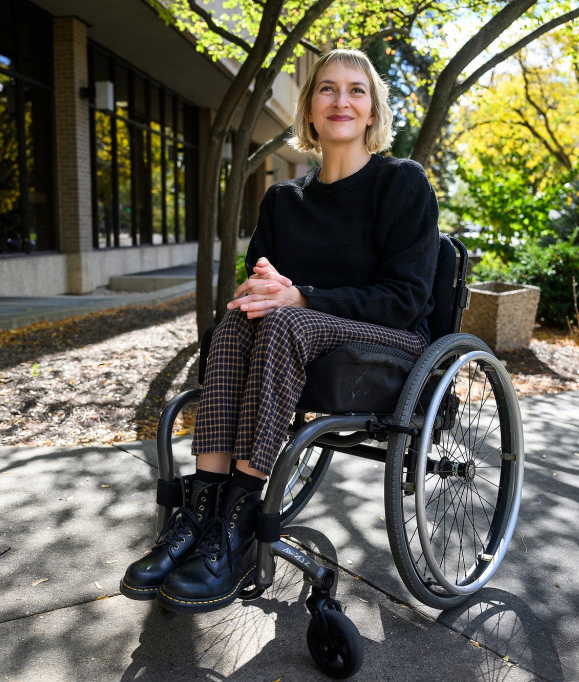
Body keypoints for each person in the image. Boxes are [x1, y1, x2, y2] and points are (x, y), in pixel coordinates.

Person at [121, 49, 440, 614]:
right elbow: (262, 290)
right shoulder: (283, 201)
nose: (341, 101)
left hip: (388, 341)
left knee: (284, 320)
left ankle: (239, 526)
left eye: (356, 91)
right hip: (294, 335)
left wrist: (302, 296)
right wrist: (262, 290)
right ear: (310, 112)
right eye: (327, 90)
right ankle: (200, 517)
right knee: (241, 320)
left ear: (372, 112)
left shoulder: (401, 183)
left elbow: (406, 298)